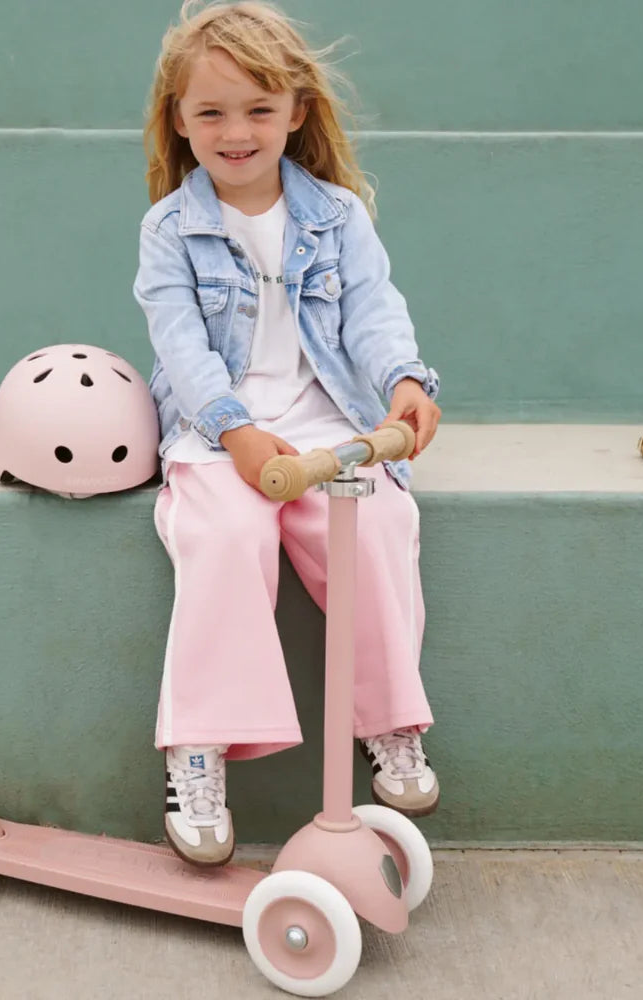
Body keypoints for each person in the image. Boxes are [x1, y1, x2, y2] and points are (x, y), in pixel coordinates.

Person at [133, 0, 442, 868]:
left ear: (297, 112)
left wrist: (404, 383)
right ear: (181, 122)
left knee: (376, 525)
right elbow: (184, 351)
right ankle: (197, 751)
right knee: (226, 536)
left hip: (325, 426)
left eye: (259, 109)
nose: (237, 131)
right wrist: (234, 433)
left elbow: (375, 316)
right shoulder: (169, 232)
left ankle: (389, 722)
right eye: (212, 112)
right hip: (218, 432)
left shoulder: (337, 216)